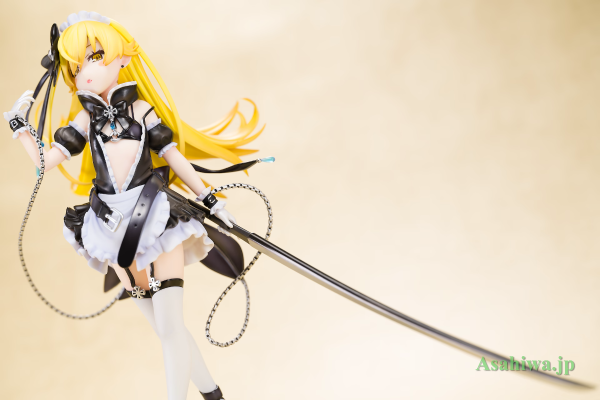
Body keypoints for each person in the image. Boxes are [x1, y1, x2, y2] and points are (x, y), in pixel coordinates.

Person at [4, 10, 265, 400]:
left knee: (170, 327)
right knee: (166, 330)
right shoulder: (84, 120)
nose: (85, 71)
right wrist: (20, 127)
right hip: (109, 227)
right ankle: (213, 395)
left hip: (155, 219)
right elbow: (44, 162)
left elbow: (174, 156)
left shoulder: (141, 111)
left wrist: (210, 199)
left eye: (95, 57)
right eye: (76, 65)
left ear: (123, 56)